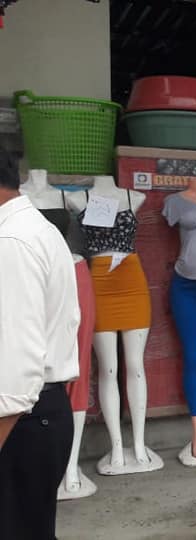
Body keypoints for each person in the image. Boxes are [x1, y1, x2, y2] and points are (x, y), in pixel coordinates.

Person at [0, 149, 81, 539]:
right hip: (38, 416)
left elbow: (17, 375)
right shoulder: (38, 228)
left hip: (20, 423)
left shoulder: (12, 241)